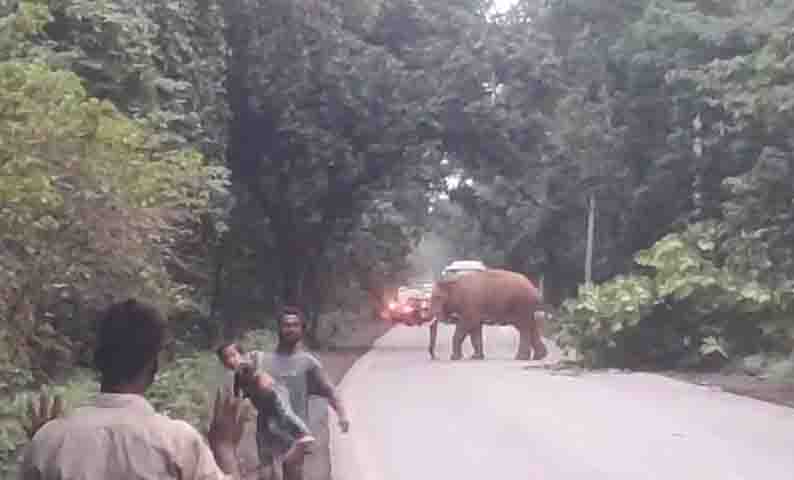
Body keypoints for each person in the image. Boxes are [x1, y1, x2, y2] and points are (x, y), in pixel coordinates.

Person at [19, 298, 246, 479]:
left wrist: (43, 443)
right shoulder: (178, 442)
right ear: (154, 364)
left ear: (97, 359)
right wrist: (224, 448)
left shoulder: (50, 440)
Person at [253, 306, 350, 480]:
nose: (290, 329)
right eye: (286, 325)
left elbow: (329, 390)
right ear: (279, 328)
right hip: (267, 432)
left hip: (295, 435)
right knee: (267, 475)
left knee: (293, 474)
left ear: (302, 330)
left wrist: (342, 415)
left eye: (295, 325)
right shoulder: (262, 361)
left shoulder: (307, 363)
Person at [233, 363, 315, 470]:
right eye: (243, 383)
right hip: (264, 406)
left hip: (276, 397)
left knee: (284, 416)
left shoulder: (261, 381)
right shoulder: (243, 381)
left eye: (245, 382)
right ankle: (265, 459)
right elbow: (238, 393)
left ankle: (304, 434)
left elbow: (273, 397)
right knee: (261, 433)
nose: (244, 386)